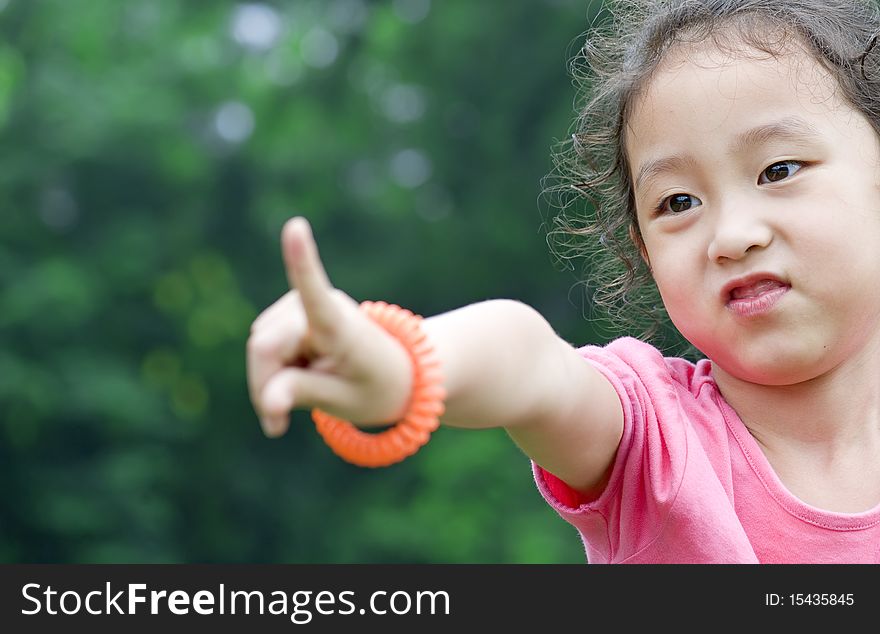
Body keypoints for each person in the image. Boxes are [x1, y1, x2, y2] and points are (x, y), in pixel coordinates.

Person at [246, 0, 880, 563]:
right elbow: (532, 368)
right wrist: (403, 363)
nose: (732, 235)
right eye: (678, 203)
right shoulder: (653, 443)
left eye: (779, 169)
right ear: (645, 250)